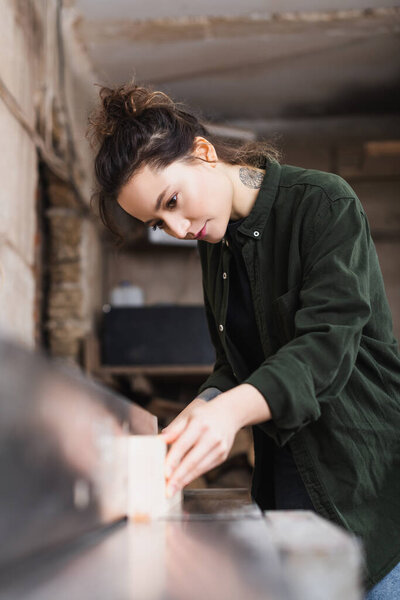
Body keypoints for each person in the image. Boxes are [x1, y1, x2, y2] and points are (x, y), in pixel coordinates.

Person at [88, 82, 400, 598]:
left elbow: (325, 349)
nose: (176, 227)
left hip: (370, 496)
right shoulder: (216, 243)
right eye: (158, 222)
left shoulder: (324, 204)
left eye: (172, 201)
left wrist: (230, 414)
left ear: (204, 153)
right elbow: (237, 364)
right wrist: (202, 408)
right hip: (292, 501)